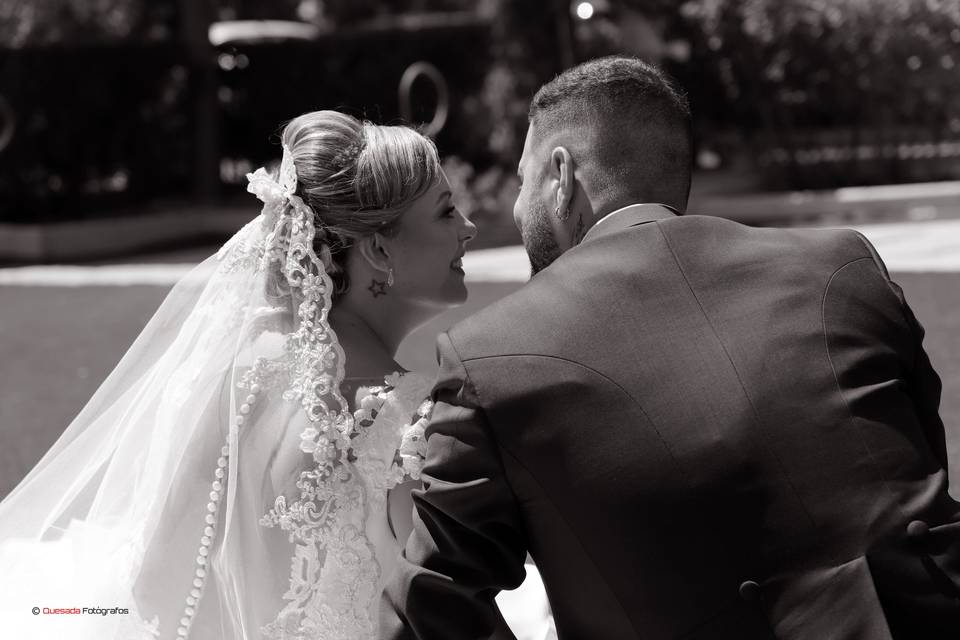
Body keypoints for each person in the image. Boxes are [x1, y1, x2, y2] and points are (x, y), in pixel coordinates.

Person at [383, 56, 960, 639]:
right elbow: (921, 461)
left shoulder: (491, 358)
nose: (513, 205)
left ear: (561, 177)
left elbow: (435, 603)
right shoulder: (843, 267)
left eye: (523, 179)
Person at [0, 110, 484, 639]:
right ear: (378, 248)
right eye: (445, 212)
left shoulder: (235, 371)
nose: (469, 228)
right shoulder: (408, 421)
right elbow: (447, 622)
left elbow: (154, 584)